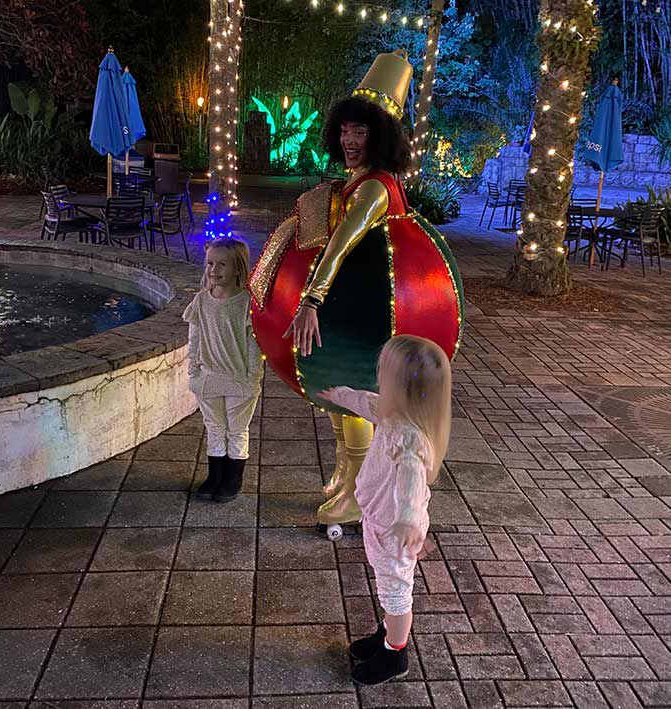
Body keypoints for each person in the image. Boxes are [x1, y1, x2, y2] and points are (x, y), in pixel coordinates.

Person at [249, 50, 463, 531]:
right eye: (345, 130)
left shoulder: (374, 189)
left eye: (360, 132)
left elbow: (340, 244)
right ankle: (347, 472)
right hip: (356, 308)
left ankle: (356, 494)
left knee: (352, 397)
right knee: (339, 397)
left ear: (380, 136)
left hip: (370, 318)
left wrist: (310, 300)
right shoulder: (360, 179)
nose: (349, 140)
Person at [319, 335, 452, 685]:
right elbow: (366, 402)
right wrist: (340, 395)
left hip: (396, 529)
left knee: (395, 592)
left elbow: (411, 482)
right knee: (386, 586)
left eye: (384, 373)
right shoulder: (392, 413)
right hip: (379, 519)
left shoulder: (409, 439)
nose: (378, 376)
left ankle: (395, 653)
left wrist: (408, 521)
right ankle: (387, 634)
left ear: (400, 386)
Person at [183, 237, 264, 502]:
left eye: (222, 264)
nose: (214, 270)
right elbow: (194, 339)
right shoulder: (201, 301)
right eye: (210, 263)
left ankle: (233, 478)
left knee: (237, 429)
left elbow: (254, 344)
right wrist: (193, 372)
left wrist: (252, 377)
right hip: (209, 378)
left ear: (238, 268)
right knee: (214, 427)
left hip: (239, 380)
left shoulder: (246, 304)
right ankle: (215, 476)